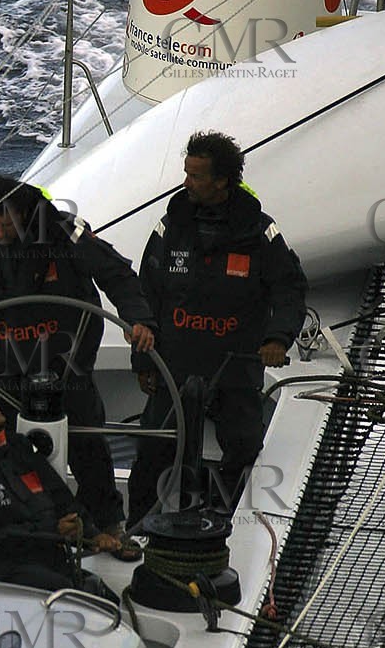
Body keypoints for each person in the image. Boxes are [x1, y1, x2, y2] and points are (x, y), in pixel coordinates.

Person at [0, 177, 154, 548]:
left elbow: (117, 275)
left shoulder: (64, 231)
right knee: (8, 449)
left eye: (6, 224)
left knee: (86, 441)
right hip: (2, 368)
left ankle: (108, 524)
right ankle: (31, 526)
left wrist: (137, 318)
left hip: (66, 362)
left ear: (26, 214)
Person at [128, 131, 307, 523]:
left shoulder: (260, 233)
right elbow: (146, 295)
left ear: (222, 180)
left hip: (235, 365)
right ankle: (139, 525)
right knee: (154, 447)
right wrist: (143, 362)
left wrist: (278, 338)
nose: (186, 183)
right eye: (186, 173)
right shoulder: (168, 227)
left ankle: (220, 522)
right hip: (175, 364)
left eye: (195, 176)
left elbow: (289, 288)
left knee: (244, 446)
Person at [0, 375, 122, 596]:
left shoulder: (18, 447)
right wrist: (53, 531)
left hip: (38, 559)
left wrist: (92, 534)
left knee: (102, 595)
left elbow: (60, 496)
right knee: (72, 595)